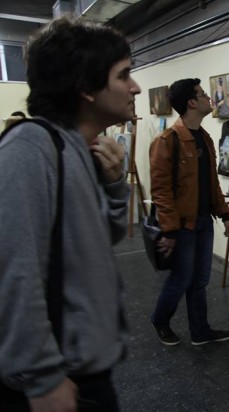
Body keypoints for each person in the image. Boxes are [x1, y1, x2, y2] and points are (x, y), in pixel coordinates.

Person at [0, 16, 140, 411]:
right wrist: (42, 378)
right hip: (56, 381)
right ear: (85, 88)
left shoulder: (78, 149)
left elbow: (100, 238)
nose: (135, 87)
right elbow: (13, 270)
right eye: (123, 75)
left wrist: (114, 185)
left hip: (87, 371)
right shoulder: (30, 148)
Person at [149, 78, 229, 347]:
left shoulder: (205, 138)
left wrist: (225, 216)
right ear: (191, 103)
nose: (209, 98)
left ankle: (200, 331)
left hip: (203, 221)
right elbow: (161, 190)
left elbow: (211, 184)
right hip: (182, 226)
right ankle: (160, 320)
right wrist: (169, 229)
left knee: (199, 280)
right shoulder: (167, 141)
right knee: (181, 279)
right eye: (203, 94)